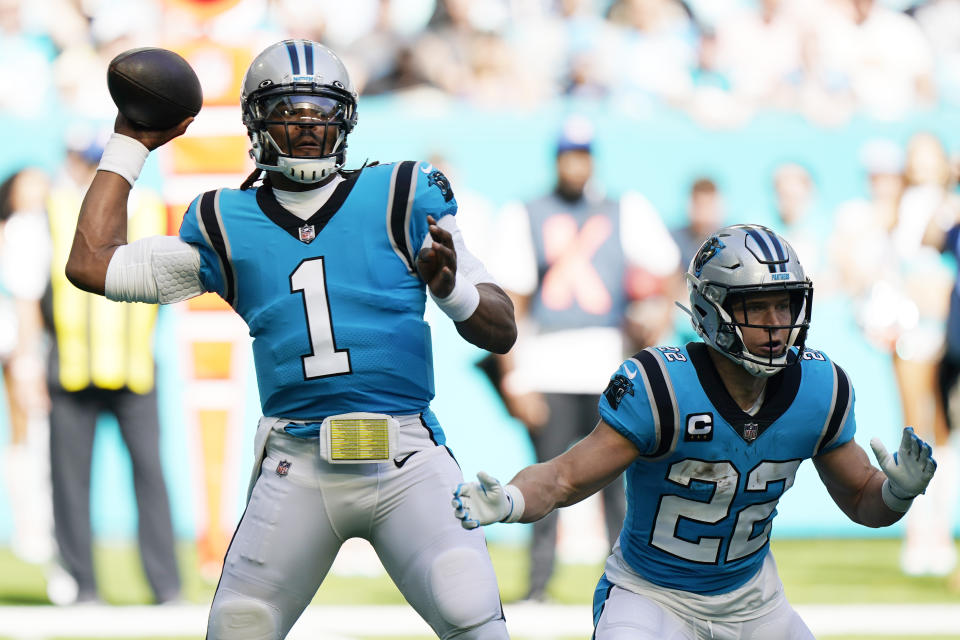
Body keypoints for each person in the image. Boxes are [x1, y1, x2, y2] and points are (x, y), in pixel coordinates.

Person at [65, 39, 517, 639]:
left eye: (321, 112)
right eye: (289, 113)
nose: (308, 128)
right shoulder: (224, 222)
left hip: (405, 456)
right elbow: (92, 265)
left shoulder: (402, 193)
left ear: (347, 119)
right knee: (240, 627)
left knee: (470, 611)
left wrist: (451, 291)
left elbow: (502, 328)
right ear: (256, 121)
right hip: (297, 463)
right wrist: (128, 140)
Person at [453, 223, 938, 639]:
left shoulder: (818, 387)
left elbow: (862, 501)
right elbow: (564, 478)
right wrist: (512, 500)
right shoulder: (663, 387)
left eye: (785, 305)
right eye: (757, 307)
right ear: (713, 311)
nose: (776, 325)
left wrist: (897, 493)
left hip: (754, 601)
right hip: (651, 597)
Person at [489, 115, 680, 602]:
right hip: (549, 361)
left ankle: (628, 586)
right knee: (546, 474)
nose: (575, 164)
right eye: (568, 154)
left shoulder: (624, 208)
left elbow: (667, 273)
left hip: (607, 363)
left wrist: (652, 326)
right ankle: (537, 587)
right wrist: (514, 377)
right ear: (557, 159)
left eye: (583, 154)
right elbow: (513, 301)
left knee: (619, 481)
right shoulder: (526, 211)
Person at [44, 131, 181, 605]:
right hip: (72, 365)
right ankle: (83, 586)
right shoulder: (51, 209)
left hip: (133, 364)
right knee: (70, 481)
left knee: (150, 476)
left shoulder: (149, 209)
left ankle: (167, 587)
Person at [0, 167, 54, 565]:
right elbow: (25, 299)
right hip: (24, 347)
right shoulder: (23, 228)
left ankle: (35, 530)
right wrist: (28, 363)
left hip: (27, 346)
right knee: (32, 436)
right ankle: (35, 531)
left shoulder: (37, 226)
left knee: (30, 437)